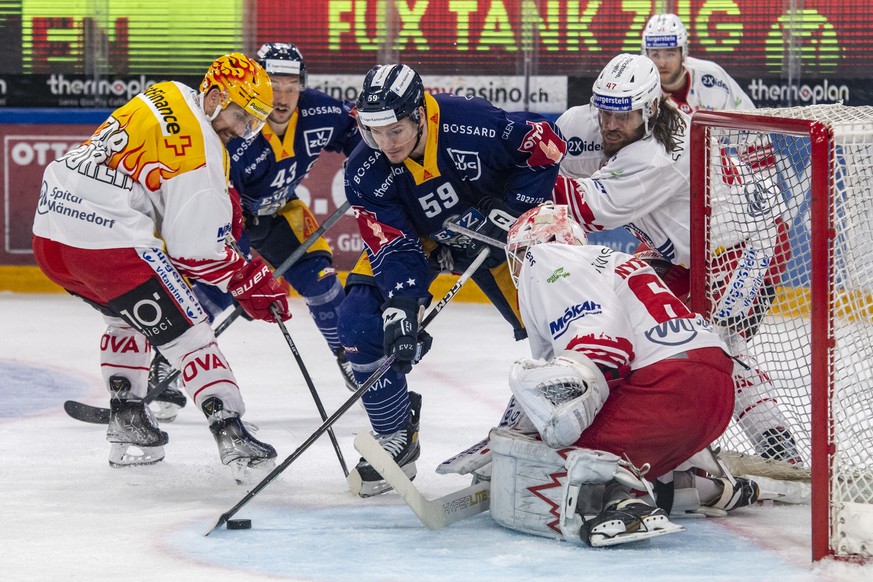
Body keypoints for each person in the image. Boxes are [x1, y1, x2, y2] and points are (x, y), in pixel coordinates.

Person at [31, 52, 292, 477]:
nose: (244, 130)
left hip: (51, 234)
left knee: (127, 318)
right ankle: (231, 433)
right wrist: (248, 278)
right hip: (107, 242)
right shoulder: (203, 153)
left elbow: (155, 178)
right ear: (216, 95)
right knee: (191, 332)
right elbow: (194, 253)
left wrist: (218, 200)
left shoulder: (167, 92)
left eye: (254, 121)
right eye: (242, 115)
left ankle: (127, 417)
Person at [553, 53, 800, 463]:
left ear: (650, 109)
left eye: (623, 116)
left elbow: (588, 209)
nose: (610, 125)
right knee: (633, 320)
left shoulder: (660, 154)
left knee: (717, 345)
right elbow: (544, 143)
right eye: (605, 113)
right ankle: (690, 440)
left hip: (750, 247)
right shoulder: (601, 122)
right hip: (689, 251)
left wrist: (525, 184)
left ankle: (774, 445)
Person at [339, 63, 567, 497]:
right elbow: (391, 243)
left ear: (419, 115)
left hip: (498, 239)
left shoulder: (470, 122)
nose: (384, 144)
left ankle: (580, 433)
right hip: (424, 241)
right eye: (373, 131)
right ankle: (396, 436)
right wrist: (403, 305)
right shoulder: (365, 167)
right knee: (361, 321)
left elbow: (547, 144)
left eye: (394, 131)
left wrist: (512, 215)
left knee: (561, 332)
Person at [487, 203, 758, 547]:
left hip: (667, 389)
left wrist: (519, 443)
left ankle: (624, 502)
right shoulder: (611, 262)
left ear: (550, 242)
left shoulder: (551, 261)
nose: (523, 264)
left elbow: (604, 351)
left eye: (524, 252)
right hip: (716, 392)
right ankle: (701, 487)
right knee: (589, 417)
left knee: (556, 452)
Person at [148, 42, 363, 421]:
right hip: (232, 216)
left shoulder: (321, 111)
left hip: (282, 210)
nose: (282, 97)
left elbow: (357, 138)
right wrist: (245, 283)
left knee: (322, 281)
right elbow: (222, 201)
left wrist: (366, 173)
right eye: (274, 85)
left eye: (291, 86)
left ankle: (352, 357)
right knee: (214, 290)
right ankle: (167, 361)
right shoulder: (237, 124)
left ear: (303, 84)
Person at [642, 13, 754, 114]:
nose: (662, 63)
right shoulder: (641, 91)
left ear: (683, 53)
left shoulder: (714, 77)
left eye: (670, 54)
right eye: (655, 54)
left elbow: (751, 122)